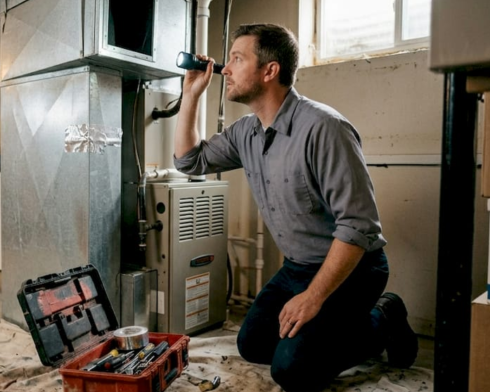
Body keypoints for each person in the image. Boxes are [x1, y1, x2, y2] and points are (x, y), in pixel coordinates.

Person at [173, 24, 418, 391]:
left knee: (292, 370)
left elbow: (357, 227)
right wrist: (190, 95)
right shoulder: (246, 132)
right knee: (253, 344)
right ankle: (332, 330)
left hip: (353, 270)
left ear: (270, 71)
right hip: (297, 268)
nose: (226, 68)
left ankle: (383, 317)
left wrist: (313, 297)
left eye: (237, 59)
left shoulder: (325, 128)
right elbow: (189, 162)